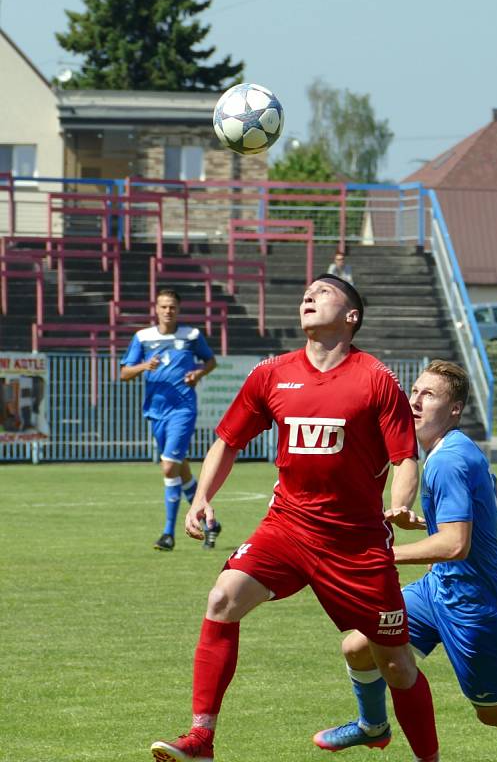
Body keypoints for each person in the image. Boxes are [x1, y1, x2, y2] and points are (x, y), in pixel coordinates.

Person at [150, 273, 440, 762]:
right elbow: (228, 441)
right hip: (287, 528)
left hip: (356, 543)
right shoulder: (271, 373)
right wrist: (201, 497)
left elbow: (405, 456)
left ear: (351, 317)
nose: (309, 295)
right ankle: (201, 738)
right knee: (222, 598)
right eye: (307, 292)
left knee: (396, 663)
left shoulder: (375, 378)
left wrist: (401, 501)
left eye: (324, 292)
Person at [313, 360, 497, 762]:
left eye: (428, 395)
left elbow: (454, 546)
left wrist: (381, 555)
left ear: (454, 409)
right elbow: (495, 503)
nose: (413, 402)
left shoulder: (447, 460)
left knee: (496, 712)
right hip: (438, 590)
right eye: (413, 392)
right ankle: (372, 726)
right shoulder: (457, 449)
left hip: (478, 608)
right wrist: (431, 524)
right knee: (358, 647)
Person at [120, 288, 219, 552]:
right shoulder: (143, 337)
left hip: (182, 410)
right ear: (156, 309)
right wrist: (144, 366)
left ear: (178, 309)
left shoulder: (191, 335)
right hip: (155, 411)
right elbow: (124, 373)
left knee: (167, 468)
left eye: (172, 307)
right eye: (163, 306)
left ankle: (168, 533)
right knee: (179, 467)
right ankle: (211, 523)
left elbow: (211, 361)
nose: (168, 311)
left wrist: (198, 374)